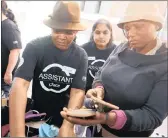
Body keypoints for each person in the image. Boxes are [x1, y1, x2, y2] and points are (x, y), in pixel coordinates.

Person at [60, 1, 168, 137]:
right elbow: (100, 74)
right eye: (127, 28)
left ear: (157, 26)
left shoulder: (164, 64)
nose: (131, 34)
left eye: (139, 27)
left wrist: (108, 118)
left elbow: (152, 115)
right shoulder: (122, 47)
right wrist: (98, 89)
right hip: (97, 129)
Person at [9, 1, 88, 137]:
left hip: (63, 118)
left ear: (76, 31)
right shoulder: (35, 47)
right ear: (51, 27)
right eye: (57, 30)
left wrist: (67, 125)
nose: (62, 37)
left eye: (68, 32)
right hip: (36, 117)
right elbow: (20, 85)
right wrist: (18, 132)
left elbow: (77, 92)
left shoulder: (80, 55)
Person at [82, 19, 116, 91]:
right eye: (97, 32)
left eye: (105, 33)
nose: (101, 36)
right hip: (83, 92)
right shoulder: (83, 50)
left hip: (104, 95)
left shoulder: (117, 52)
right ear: (93, 33)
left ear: (110, 34)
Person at [1, 0, 22, 98]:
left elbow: (15, 51)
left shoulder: (9, 26)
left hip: (4, 78)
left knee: (5, 105)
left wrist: (8, 73)